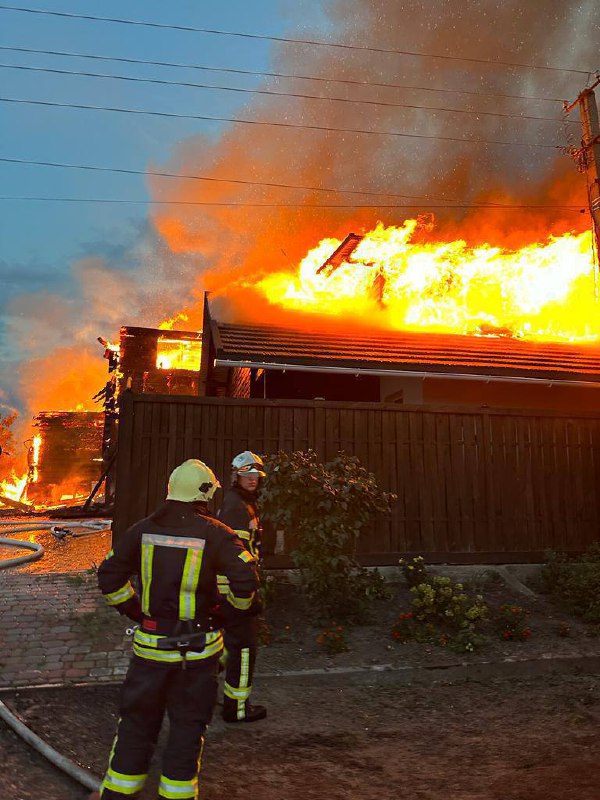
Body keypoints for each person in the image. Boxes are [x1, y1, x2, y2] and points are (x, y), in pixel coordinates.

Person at [91, 458, 259, 800]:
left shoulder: (141, 529)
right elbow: (246, 580)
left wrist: (135, 610)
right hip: (197, 655)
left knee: (136, 726)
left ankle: (118, 794)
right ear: (205, 494)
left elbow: (109, 577)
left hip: (150, 651)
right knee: (186, 730)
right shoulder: (217, 534)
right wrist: (227, 614)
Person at [215, 450, 267, 723]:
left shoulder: (243, 503)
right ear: (236, 476)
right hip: (235, 590)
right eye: (246, 474)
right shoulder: (237, 507)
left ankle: (204, 682)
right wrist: (245, 596)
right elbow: (236, 557)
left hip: (232, 588)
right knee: (244, 649)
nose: (252, 479)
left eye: (255, 474)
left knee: (228, 646)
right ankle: (236, 709)